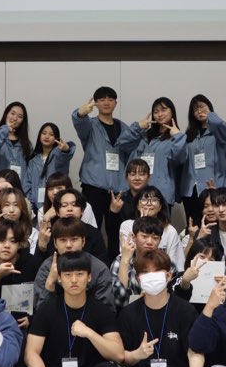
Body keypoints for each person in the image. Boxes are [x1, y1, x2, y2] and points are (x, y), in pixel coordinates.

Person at [9, 251, 123, 367]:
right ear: (60, 279)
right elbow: (31, 353)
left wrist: (90, 333)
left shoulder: (101, 310)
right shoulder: (46, 310)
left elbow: (118, 355)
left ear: (89, 277)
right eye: (68, 275)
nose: (74, 280)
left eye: (80, 274)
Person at [106, 250, 215, 367]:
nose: (151, 277)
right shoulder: (128, 313)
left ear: (169, 275)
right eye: (145, 273)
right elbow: (123, 358)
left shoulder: (185, 310)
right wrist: (137, 354)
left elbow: (194, 350)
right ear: (138, 279)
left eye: (156, 271)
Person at [71, 87, 139, 232]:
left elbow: (132, 150)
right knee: (90, 228)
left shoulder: (123, 127)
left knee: (116, 231)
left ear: (116, 103)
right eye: (102, 100)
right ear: (96, 103)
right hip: (94, 186)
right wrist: (80, 114)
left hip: (119, 189)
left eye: (110, 99)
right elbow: (80, 123)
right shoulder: (90, 125)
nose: (106, 103)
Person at [111, 216, 195, 310]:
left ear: (160, 240)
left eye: (155, 238)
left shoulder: (166, 263)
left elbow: (176, 299)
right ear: (134, 237)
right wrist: (125, 261)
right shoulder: (121, 261)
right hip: (130, 313)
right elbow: (119, 300)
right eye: (144, 236)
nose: (149, 242)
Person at [0, 218, 42, 331]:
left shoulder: (33, 264)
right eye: (1, 240)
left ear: (19, 244)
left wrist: (33, 318)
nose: (6, 245)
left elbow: (45, 297)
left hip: (27, 327)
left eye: (12, 241)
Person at [34, 217, 115, 312]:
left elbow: (107, 311)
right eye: (63, 240)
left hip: (90, 319)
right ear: (55, 243)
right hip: (55, 318)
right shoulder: (47, 267)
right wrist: (50, 283)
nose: (68, 245)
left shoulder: (98, 268)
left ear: (83, 241)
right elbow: (39, 312)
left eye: (74, 239)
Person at [179, 94, 226, 221]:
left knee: (214, 225)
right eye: (195, 109)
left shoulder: (218, 132)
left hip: (213, 187)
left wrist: (210, 115)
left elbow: (223, 127)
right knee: (193, 226)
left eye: (202, 107)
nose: (199, 111)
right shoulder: (190, 135)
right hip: (191, 190)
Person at [128, 97, 187, 206]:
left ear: (172, 111)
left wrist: (177, 136)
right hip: (139, 191)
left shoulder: (176, 138)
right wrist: (138, 127)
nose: (160, 114)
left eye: (163, 110)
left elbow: (180, 159)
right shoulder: (144, 135)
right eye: (156, 112)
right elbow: (122, 144)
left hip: (162, 193)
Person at [116, 185, 185, 269]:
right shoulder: (127, 225)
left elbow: (175, 264)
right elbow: (126, 256)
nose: (149, 203)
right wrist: (142, 223)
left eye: (154, 200)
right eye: (144, 199)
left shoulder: (170, 230)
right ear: (137, 205)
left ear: (160, 207)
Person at [37, 188, 108, 263]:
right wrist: (42, 248)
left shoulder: (93, 233)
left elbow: (102, 264)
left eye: (74, 205)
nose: (70, 209)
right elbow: (38, 266)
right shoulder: (49, 234)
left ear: (82, 210)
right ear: (57, 212)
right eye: (64, 205)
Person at [0, 101, 33, 201]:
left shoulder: (26, 144)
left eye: (20, 116)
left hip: (16, 193)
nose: (15, 118)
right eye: (12, 113)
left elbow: (28, 174)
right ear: (6, 114)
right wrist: (4, 130)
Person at [102, 159, 150, 260]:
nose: (137, 178)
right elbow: (111, 232)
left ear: (148, 177)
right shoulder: (119, 199)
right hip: (120, 249)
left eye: (142, 174)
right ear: (126, 178)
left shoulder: (154, 200)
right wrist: (113, 212)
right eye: (132, 174)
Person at [26, 122, 75, 209]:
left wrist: (66, 150)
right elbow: (27, 184)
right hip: (36, 206)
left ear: (56, 138)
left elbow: (66, 155)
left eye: (51, 134)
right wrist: (30, 205)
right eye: (44, 133)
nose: (47, 136)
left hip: (58, 204)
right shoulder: (33, 161)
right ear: (39, 136)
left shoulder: (59, 156)